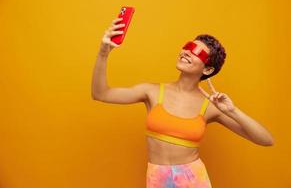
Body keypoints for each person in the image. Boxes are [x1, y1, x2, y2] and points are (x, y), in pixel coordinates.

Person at [91, 17, 274, 188]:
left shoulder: (210, 106)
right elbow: (100, 93)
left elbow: (265, 140)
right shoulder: (152, 91)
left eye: (197, 52)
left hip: (194, 180)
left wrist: (232, 111)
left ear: (208, 69)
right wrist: (103, 53)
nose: (187, 52)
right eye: (188, 46)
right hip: (157, 180)